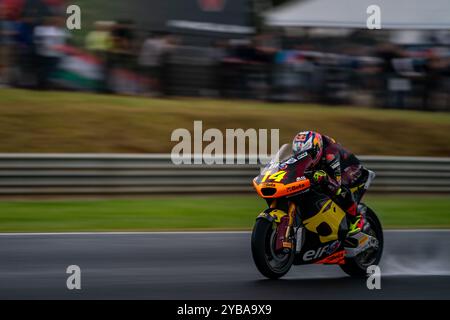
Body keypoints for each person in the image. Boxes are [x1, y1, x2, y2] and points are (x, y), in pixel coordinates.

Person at [292, 131, 376, 240]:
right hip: (326, 167)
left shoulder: (331, 153)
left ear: (316, 148)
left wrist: (324, 178)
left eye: (308, 154)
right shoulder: (311, 149)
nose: (303, 157)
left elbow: (336, 184)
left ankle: (355, 219)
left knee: (340, 191)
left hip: (349, 169)